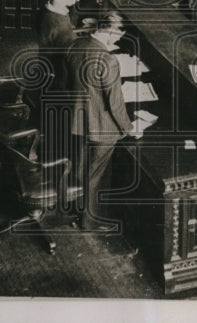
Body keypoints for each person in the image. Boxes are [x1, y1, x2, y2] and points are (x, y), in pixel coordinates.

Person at [66, 13, 143, 231]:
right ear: (111, 31)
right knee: (97, 175)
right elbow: (115, 103)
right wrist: (128, 128)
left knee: (81, 166)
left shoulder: (75, 45)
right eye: (118, 36)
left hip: (77, 120)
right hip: (102, 127)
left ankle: (76, 209)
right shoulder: (108, 59)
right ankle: (93, 221)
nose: (117, 41)